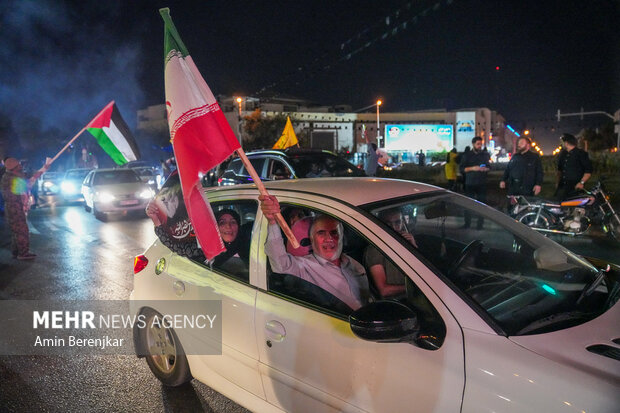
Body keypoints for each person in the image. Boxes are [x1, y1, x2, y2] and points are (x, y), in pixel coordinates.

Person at [260, 194, 371, 310]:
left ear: (342, 236)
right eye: (321, 233)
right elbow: (280, 264)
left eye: (334, 232)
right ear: (312, 239)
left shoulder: (355, 264)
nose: (329, 239)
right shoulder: (304, 267)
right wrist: (272, 222)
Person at [1, 157, 51, 260]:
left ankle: (16, 252)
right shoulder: (11, 179)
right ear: (14, 168)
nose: (20, 166)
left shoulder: (10, 176)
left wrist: (44, 167)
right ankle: (23, 253)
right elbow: (28, 183)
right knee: (22, 230)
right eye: (18, 165)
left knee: (16, 230)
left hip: (12, 207)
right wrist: (43, 169)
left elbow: (31, 177)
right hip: (14, 208)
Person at [364, 208, 417, 298]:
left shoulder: (406, 243)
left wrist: (413, 247)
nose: (393, 228)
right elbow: (384, 291)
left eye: (397, 222)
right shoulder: (375, 250)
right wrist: (414, 288)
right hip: (400, 302)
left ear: (403, 223)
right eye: (388, 223)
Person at [459, 137, 490, 229]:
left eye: (481, 144)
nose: (480, 146)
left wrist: (485, 169)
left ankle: (480, 225)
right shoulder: (467, 155)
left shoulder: (484, 155)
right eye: (478, 144)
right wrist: (473, 168)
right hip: (470, 183)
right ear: (473, 144)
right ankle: (467, 223)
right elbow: (461, 169)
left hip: (482, 183)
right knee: (468, 204)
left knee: (482, 205)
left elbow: (489, 166)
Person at [555, 133, 593, 201]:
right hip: (562, 186)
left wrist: (581, 182)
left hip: (575, 187)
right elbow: (559, 170)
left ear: (566, 143)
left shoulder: (581, 153)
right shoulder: (563, 154)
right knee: (559, 206)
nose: (561, 144)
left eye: (562, 142)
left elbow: (588, 170)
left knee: (574, 207)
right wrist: (557, 182)